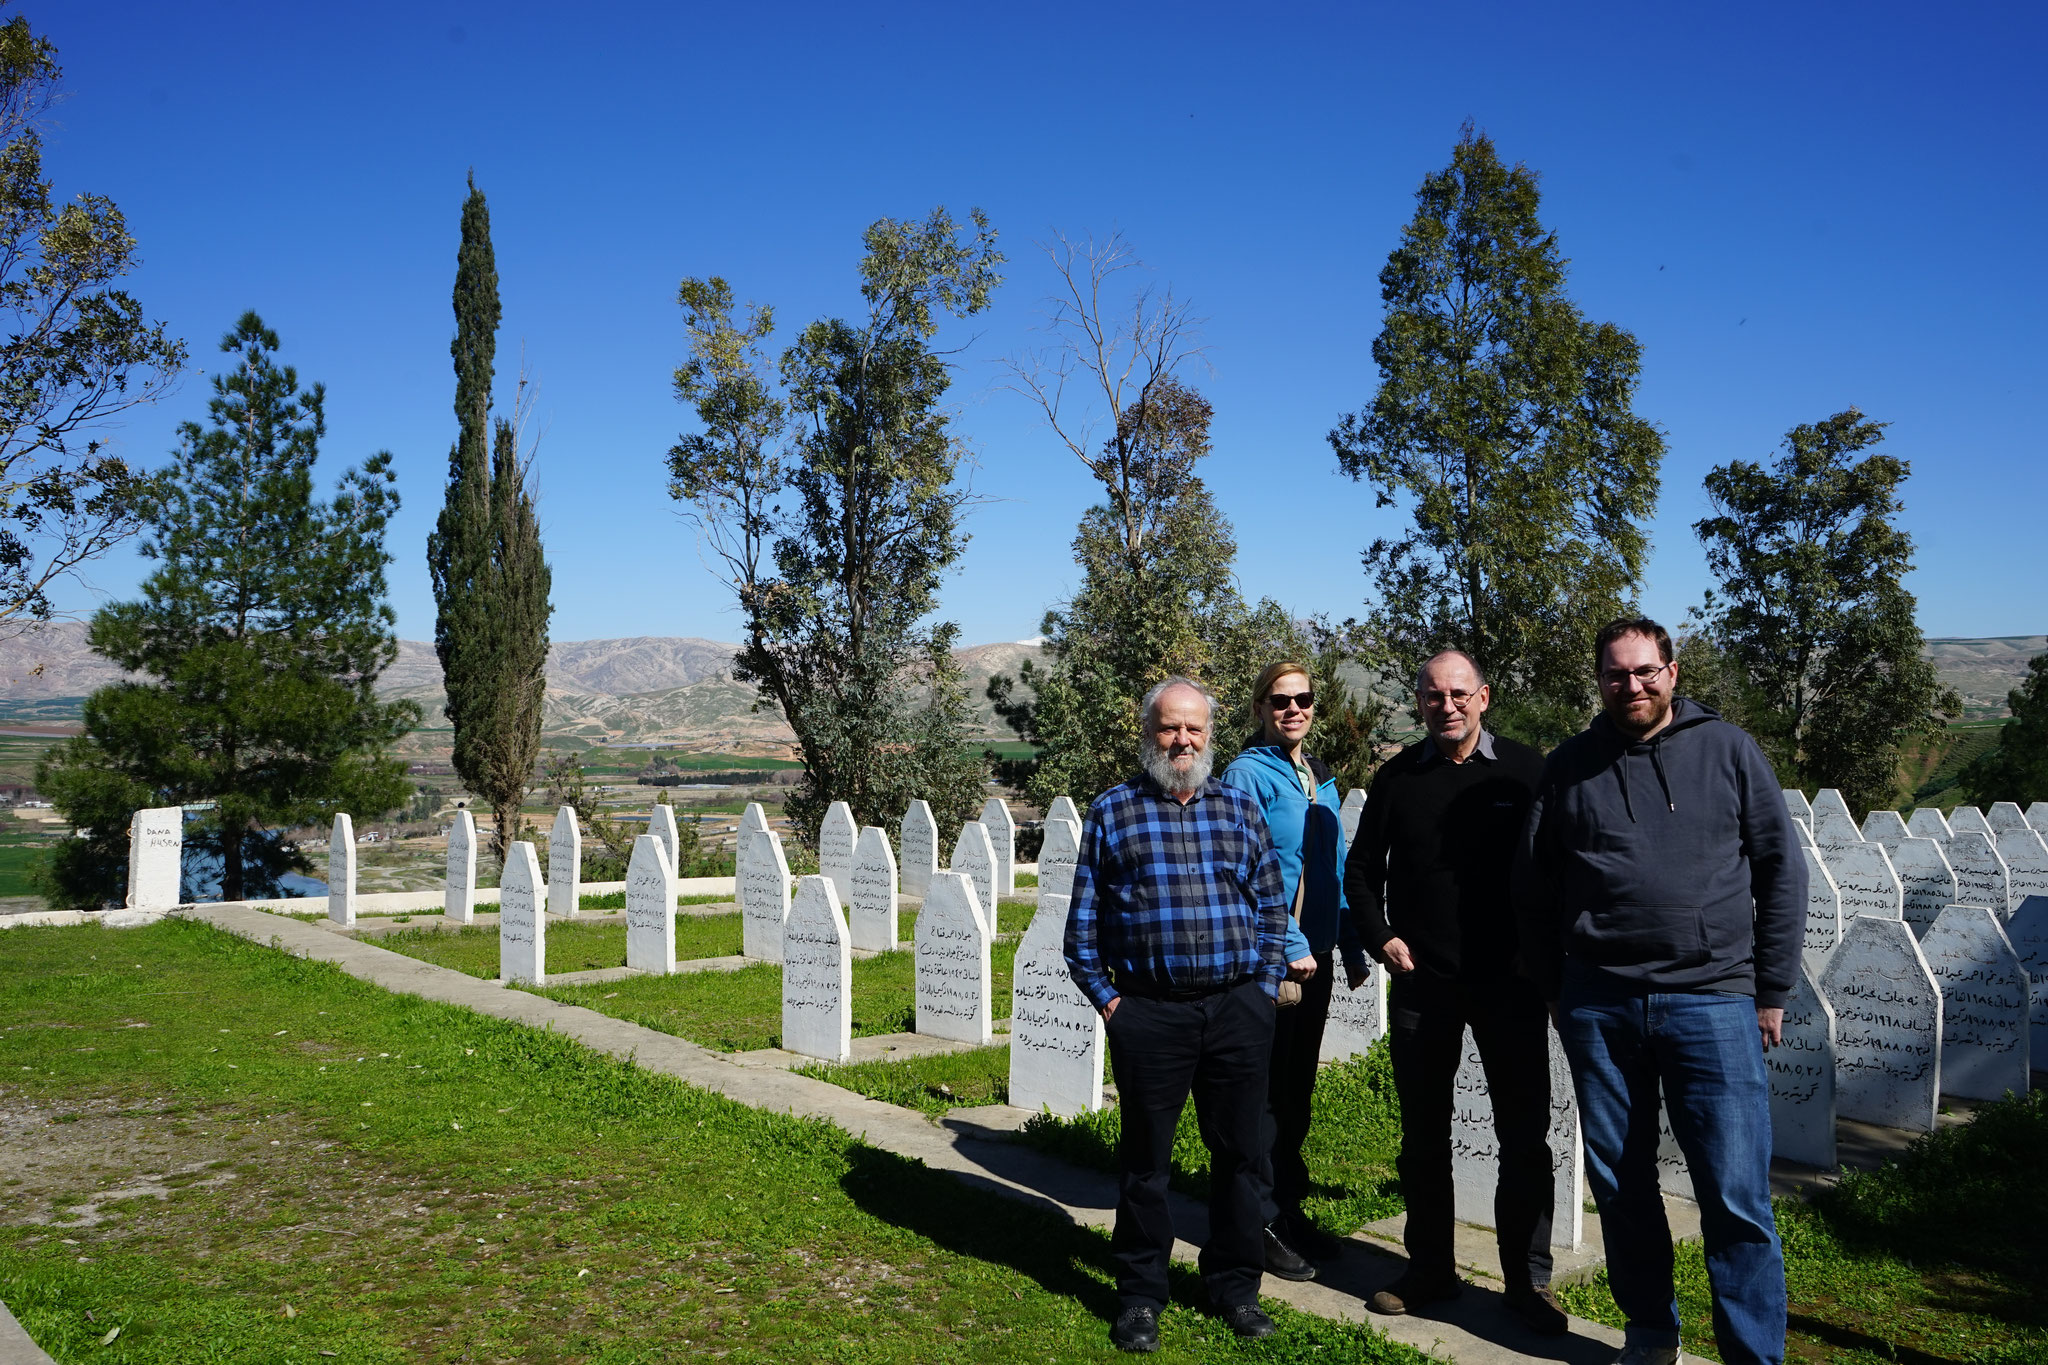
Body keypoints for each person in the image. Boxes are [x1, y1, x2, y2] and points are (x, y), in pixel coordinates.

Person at [1517, 618, 1802, 1365]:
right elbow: (1534, 886)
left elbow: (1780, 869)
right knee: (1621, 1184)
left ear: (1672, 672)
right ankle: (1649, 1332)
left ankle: (1752, 1353)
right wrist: (1555, 987)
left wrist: (1770, 986)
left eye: (1645, 671)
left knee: (1735, 1195)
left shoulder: (1729, 750)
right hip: (1601, 1003)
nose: (1632, 685)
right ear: (1600, 681)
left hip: (1712, 1000)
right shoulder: (1569, 765)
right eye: (1616, 674)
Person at [1065, 676, 1291, 1354]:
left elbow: (1272, 906)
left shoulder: (1239, 808)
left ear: (1211, 734)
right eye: (1169, 727)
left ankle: (1235, 1285)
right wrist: (1113, 1005)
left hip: (1236, 1010)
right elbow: (1082, 929)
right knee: (1145, 1163)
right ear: (1148, 734)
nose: (1182, 740)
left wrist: (1263, 986)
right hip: (1150, 1015)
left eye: (1194, 727)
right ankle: (1140, 1294)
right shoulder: (1114, 811)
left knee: (1241, 1155)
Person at [1344, 649, 1566, 1334]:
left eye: (1460, 693)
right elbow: (1359, 870)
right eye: (1434, 694)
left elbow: (1565, 862)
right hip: (1423, 986)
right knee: (1423, 1137)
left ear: (1484, 697)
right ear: (1418, 701)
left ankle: (1526, 1280)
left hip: (1511, 986)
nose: (1448, 704)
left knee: (1524, 1136)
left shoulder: (1528, 770)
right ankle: (1430, 1267)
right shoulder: (1398, 776)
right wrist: (1381, 935)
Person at [1221, 659, 1370, 1281]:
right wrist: (1287, 940)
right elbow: (1244, 870)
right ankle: (1252, 1222)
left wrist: (1353, 945)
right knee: (1263, 1098)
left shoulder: (1321, 777)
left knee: (1297, 1093)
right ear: (1259, 709)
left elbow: (1328, 869)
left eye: (1303, 699)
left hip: (1318, 959)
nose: (1293, 709)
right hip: (1269, 961)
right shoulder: (1245, 775)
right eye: (1279, 701)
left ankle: (1288, 1206)